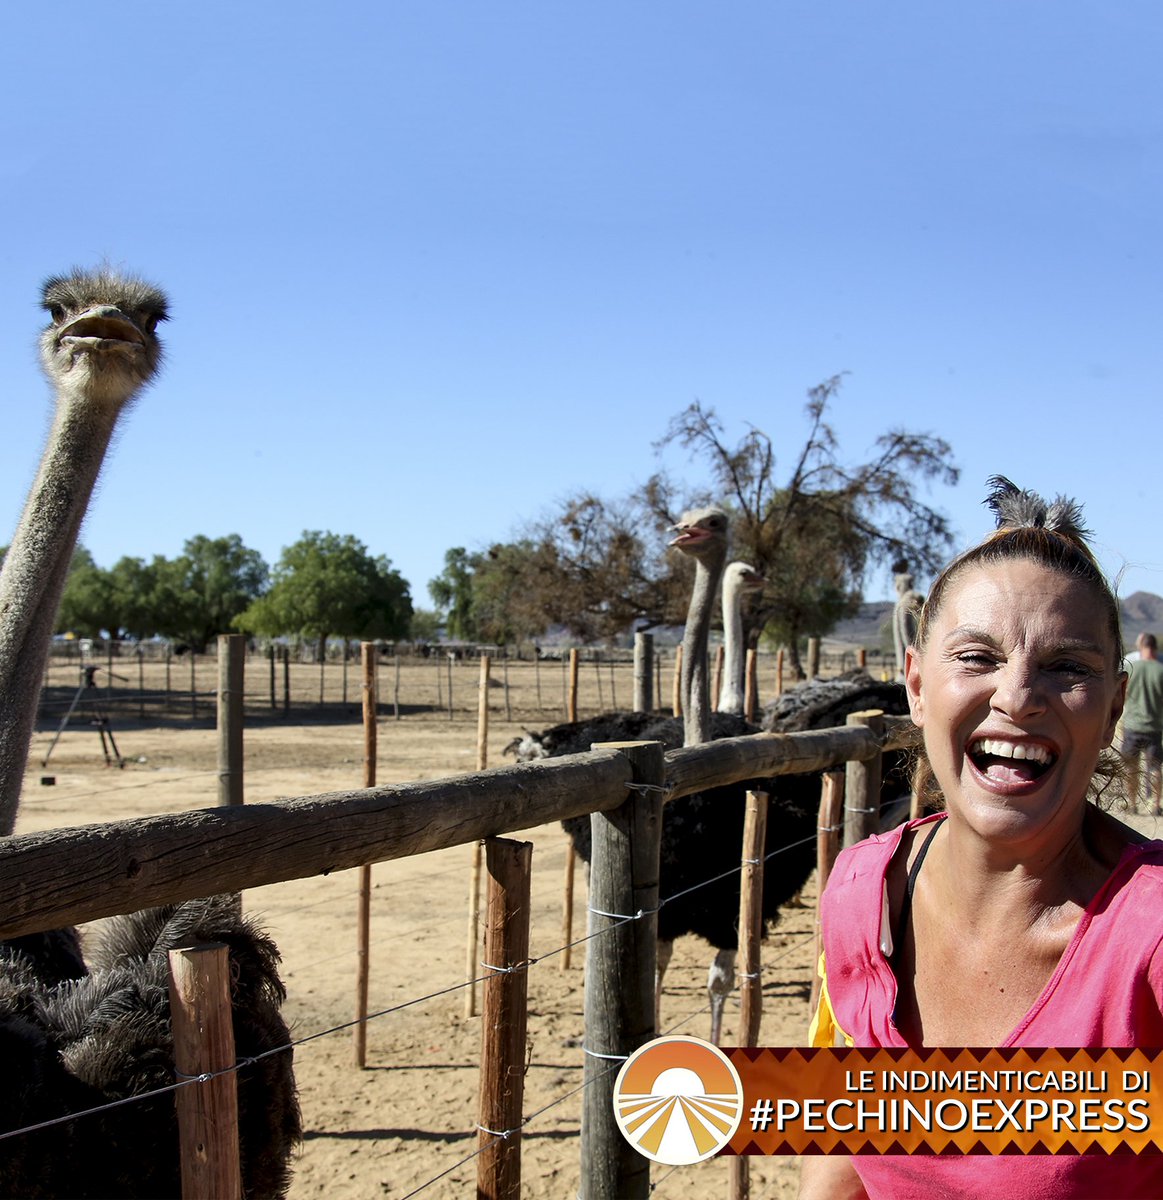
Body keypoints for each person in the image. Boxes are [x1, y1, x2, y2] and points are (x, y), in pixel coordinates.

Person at [799, 476, 1163, 1200]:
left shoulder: (1148, 936)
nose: (1017, 698)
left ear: (1113, 706)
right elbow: (839, 1158)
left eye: (1068, 667)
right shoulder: (860, 895)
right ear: (915, 685)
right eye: (975, 657)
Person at [1121, 631, 1163, 814]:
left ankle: (1132, 805)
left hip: (1132, 726)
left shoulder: (1131, 668)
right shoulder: (1160, 670)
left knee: (1131, 767)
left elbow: (1122, 694)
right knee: (1154, 767)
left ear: (1142, 646)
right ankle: (1156, 806)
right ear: (1155, 647)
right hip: (1154, 727)